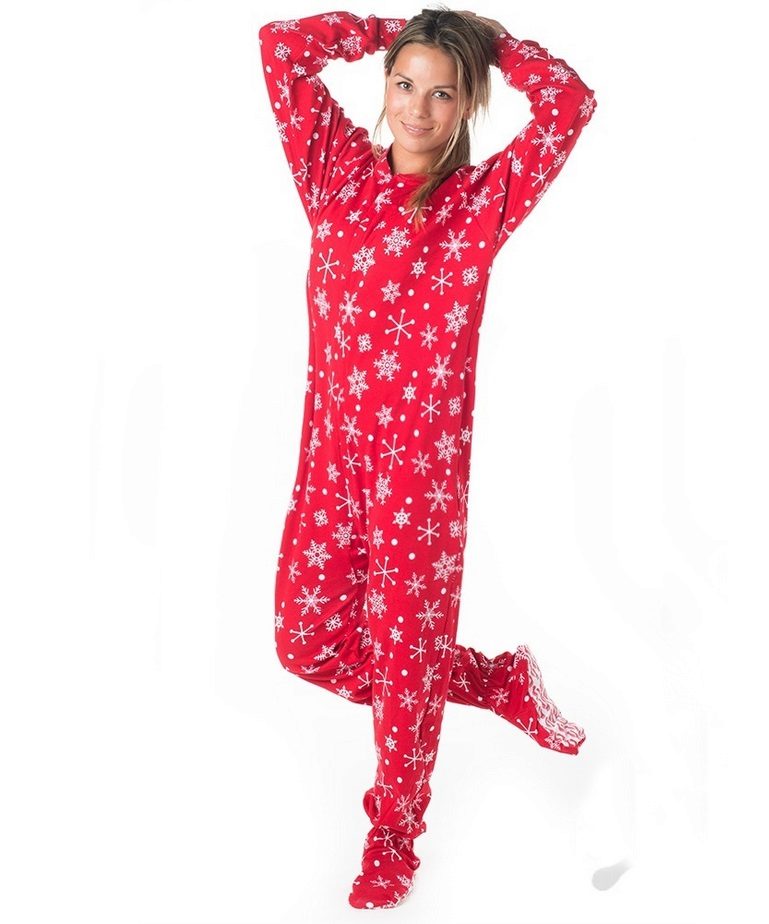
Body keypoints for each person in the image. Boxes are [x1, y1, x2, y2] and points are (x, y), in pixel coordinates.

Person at [258, 5, 597, 909]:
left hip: (419, 478)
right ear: (386, 86)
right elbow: (280, 49)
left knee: (406, 661)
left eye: (443, 94)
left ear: (466, 106)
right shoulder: (334, 171)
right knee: (306, 645)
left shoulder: (482, 204)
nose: (417, 107)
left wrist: (494, 45)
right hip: (331, 458)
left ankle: (393, 841)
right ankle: (493, 680)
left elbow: (571, 104)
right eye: (406, 84)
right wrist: (390, 28)